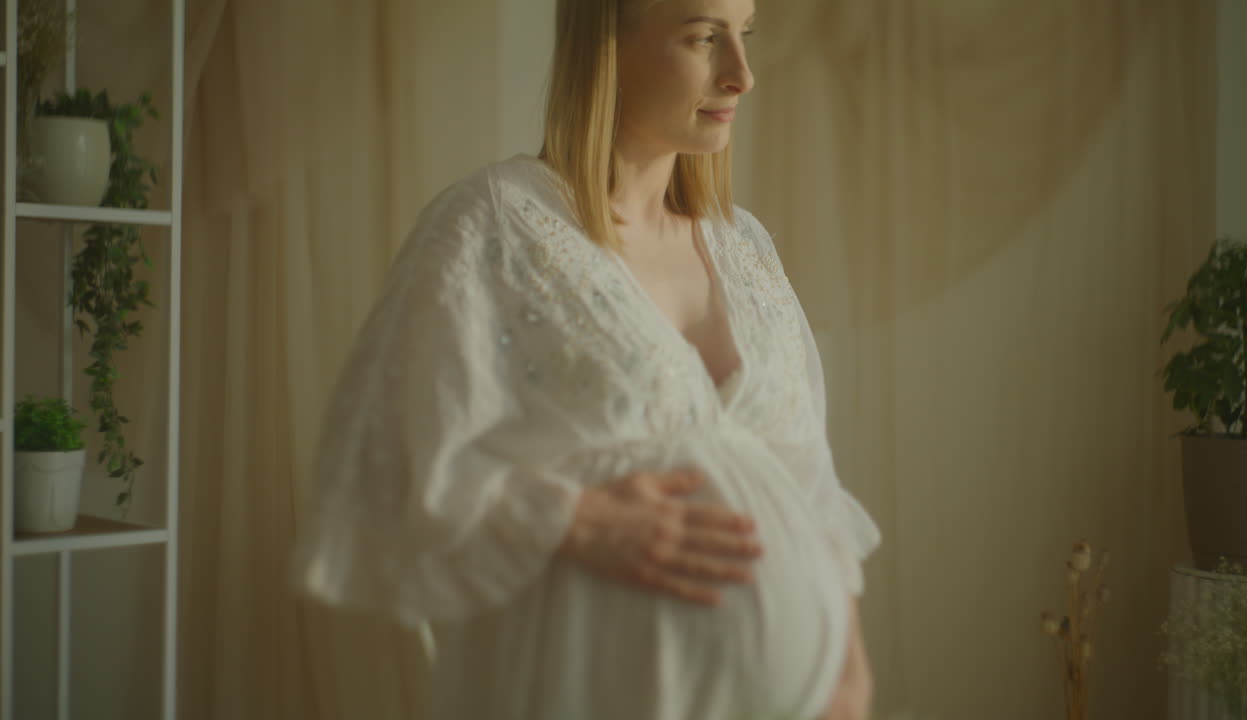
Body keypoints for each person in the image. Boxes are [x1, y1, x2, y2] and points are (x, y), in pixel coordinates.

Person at [292, 0, 880, 718]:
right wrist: (574, 520)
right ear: (607, 46)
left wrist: (849, 674)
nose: (742, 75)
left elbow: (811, 485)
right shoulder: (493, 224)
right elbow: (385, 468)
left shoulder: (746, 245)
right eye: (704, 38)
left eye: (745, 35)